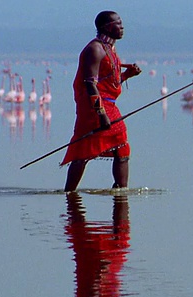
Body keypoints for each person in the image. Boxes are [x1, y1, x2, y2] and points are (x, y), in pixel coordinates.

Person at [62, 10, 142, 192]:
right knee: (82, 150)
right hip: (94, 108)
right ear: (106, 27)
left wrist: (128, 75)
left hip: (109, 105)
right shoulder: (95, 49)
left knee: (122, 147)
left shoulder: (110, 49)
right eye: (118, 24)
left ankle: (121, 192)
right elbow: (90, 84)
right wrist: (101, 114)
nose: (122, 28)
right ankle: (69, 193)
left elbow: (108, 83)